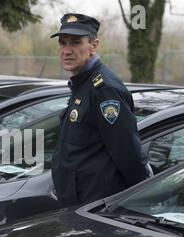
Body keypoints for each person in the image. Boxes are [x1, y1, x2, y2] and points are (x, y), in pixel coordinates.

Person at [50, 13, 151, 208]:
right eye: (62, 43)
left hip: (96, 207)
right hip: (78, 203)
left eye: (75, 43)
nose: (67, 50)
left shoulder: (104, 89)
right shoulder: (83, 83)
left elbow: (127, 151)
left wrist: (143, 198)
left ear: (93, 45)